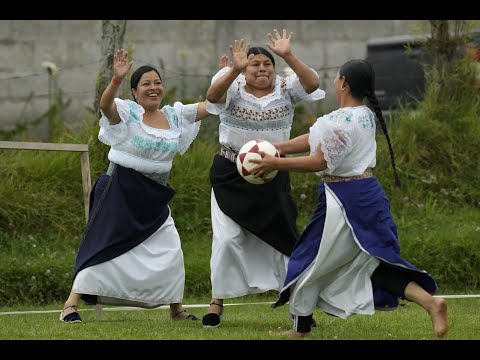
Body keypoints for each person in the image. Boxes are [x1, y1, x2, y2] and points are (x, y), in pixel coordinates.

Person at [249, 59, 448, 338]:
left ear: (343, 82)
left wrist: (275, 163)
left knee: (306, 260)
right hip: (367, 195)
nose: (334, 81)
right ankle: (431, 302)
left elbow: (319, 160)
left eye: (336, 77)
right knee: (374, 264)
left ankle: (300, 330)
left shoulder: (337, 121)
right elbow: (315, 138)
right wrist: (278, 148)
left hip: (343, 203)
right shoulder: (362, 114)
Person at [59, 48, 210, 323]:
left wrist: (232, 73)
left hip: (154, 196)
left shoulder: (175, 116)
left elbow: (210, 106)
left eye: (157, 82)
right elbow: (105, 107)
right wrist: (116, 79)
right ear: (134, 92)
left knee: (171, 247)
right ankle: (70, 305)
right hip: (119, 189)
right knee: (101, 245)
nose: (153, 88)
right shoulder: (127, 113)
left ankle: (176, 310)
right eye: (146, 84)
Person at [202, 29, 326, 328]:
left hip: (273, 174)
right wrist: (233, 69)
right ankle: (217, 302)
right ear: (246, 69)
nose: (261, 69)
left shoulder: (286, 87)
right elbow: (212, 97)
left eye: (266, 64)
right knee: (228, 239)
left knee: (284, 240)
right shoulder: (234, 85)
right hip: (230, 174)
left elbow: (313, 83)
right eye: (254, 64)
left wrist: (288, 55)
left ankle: (297, 306)